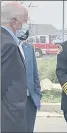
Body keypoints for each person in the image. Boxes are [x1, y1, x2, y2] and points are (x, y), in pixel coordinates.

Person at [1, 2, 28, 132]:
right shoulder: (8, 45)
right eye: (25, 21)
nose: (26, 25)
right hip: (9, 114)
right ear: (14, 22)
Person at [18, 30, 41, 132]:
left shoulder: (29, 48)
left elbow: (35, 73)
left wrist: (37, 94)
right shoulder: (5, 46)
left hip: (30, 100)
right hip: (12, 101)